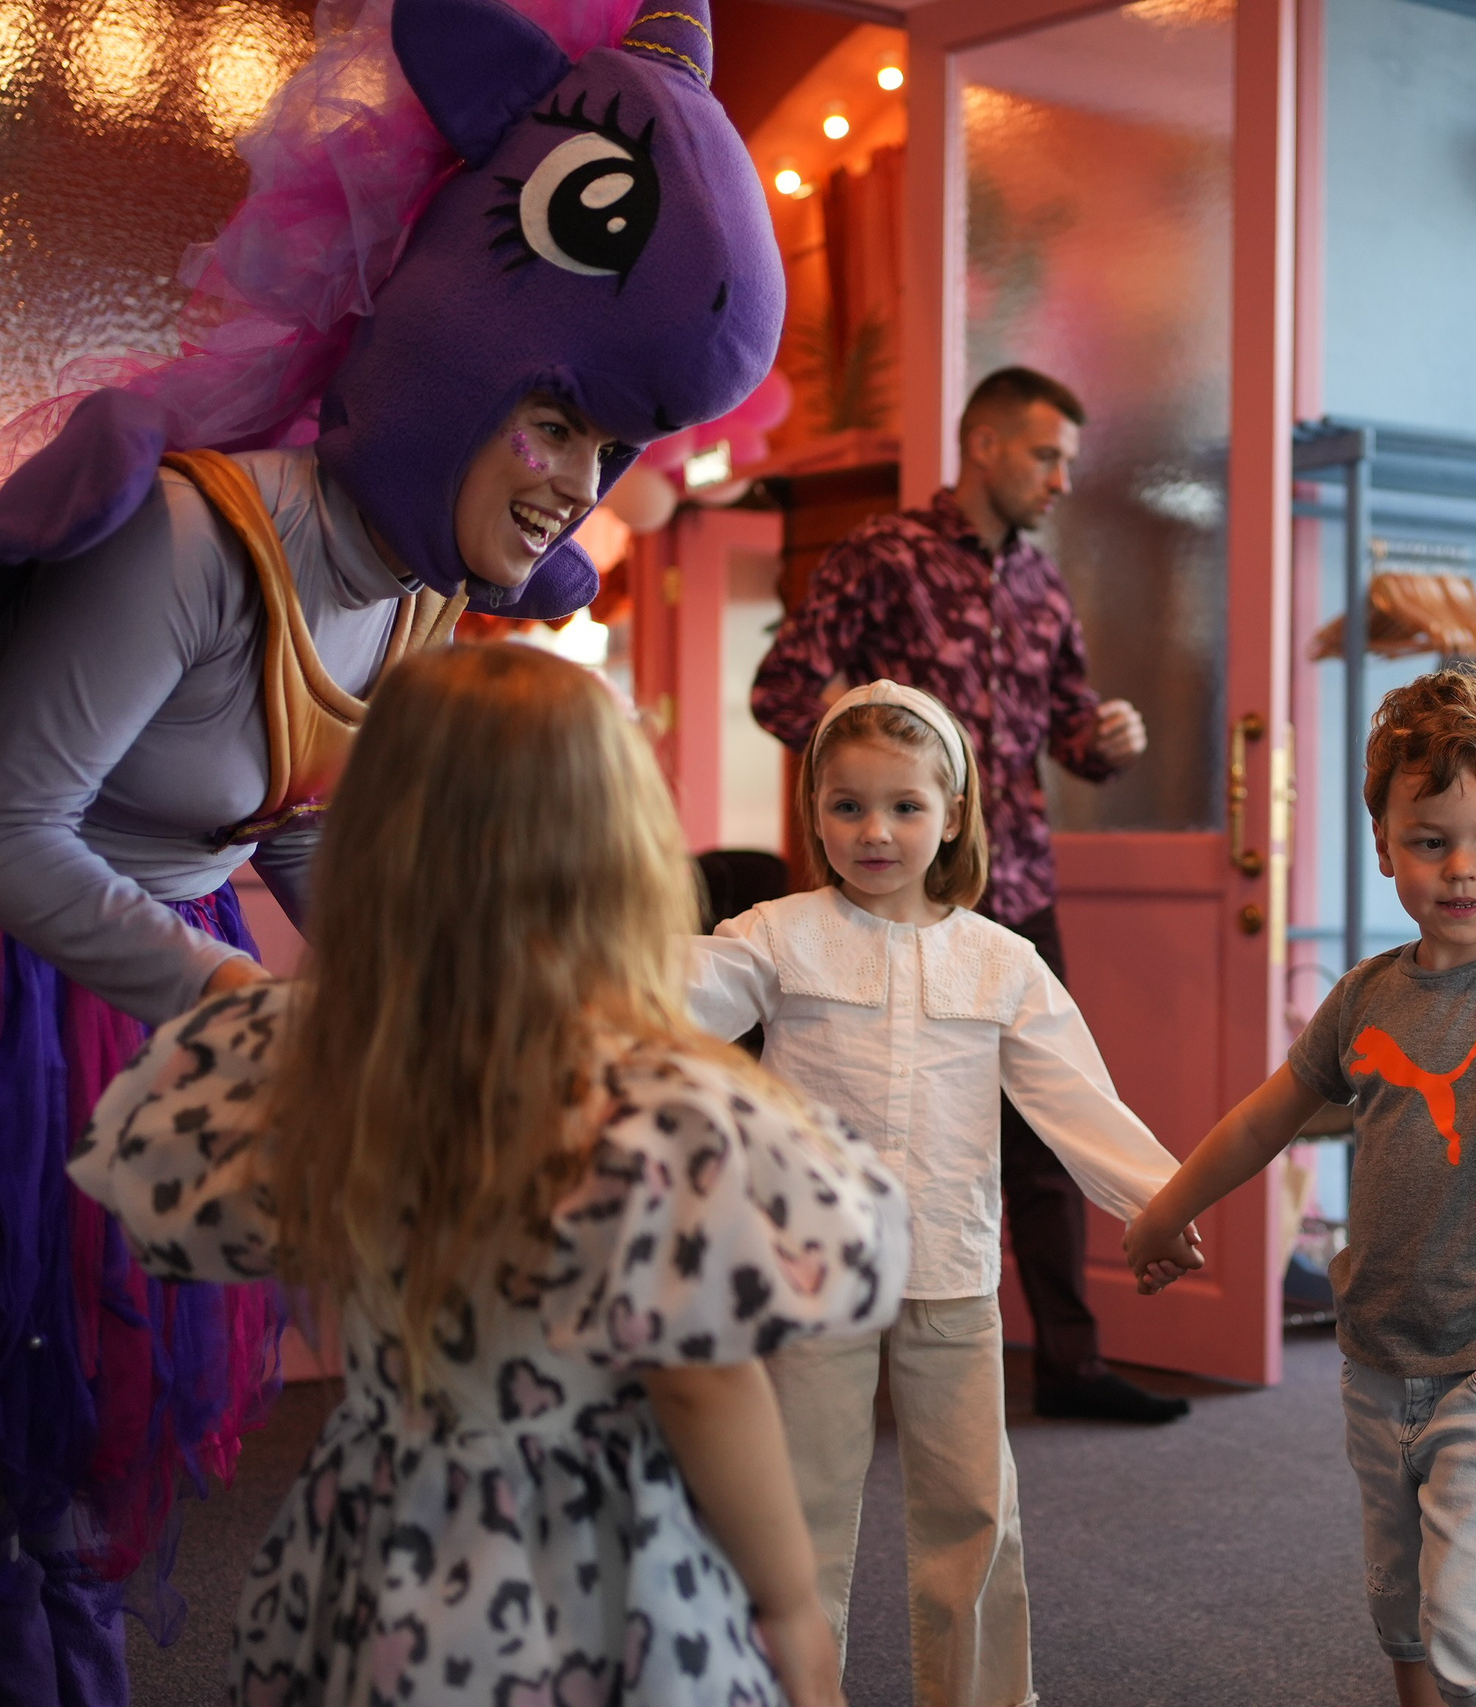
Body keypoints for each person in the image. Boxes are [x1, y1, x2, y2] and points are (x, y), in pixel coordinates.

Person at [0, 0, 785, 1695]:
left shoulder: (418, 593)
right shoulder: (193, 534)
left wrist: (463, 1022)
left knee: (73, 1459)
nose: (572, 482)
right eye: (554, 421)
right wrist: (271, 1016)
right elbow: (1, 838)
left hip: (137, 975)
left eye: (605, 447)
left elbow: (293, 828)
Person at [69, 644, 897, 1705]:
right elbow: (701, 1386)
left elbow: (207, 1218)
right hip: (595, 1559)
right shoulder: (652, 1108)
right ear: (616, 847)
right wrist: (787, 1605)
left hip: (370, 1536)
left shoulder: (303, 1059)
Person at [1124, 666, 1476, 1707]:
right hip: (1379, 1353)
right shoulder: (1365, 998)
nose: (1461, 869)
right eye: (1430, 840)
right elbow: (1268, 1114)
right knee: (1400, 1608)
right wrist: (1169, 1205)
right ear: (1385, 844)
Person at [683, 680, 1184, 1707]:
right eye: (848, 806)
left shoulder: (1001, 961)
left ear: (951, 814)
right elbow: (660, 992)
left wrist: (1159, 1205)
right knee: (798, 1515)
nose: (875, 832)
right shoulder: (775, 937)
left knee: (973, 1512)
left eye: (904, 807)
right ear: (813, 812)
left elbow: (1076, 1098)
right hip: (811, 1273)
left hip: (948, 1268)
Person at [752, 366, 1172, 1424]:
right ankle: (846, 1341)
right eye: (1046, 455)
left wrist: (1107, 738)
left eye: (1069, 459)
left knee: (1036, 1127)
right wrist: (876, 745)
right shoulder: (880, 556)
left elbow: (1068, 729)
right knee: (869, 1107)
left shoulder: (1040, 584)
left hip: (1013, 881)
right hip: (886, 902)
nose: (1063, 479)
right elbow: (782, 690)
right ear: (981, 445)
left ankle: (1070, 1365)